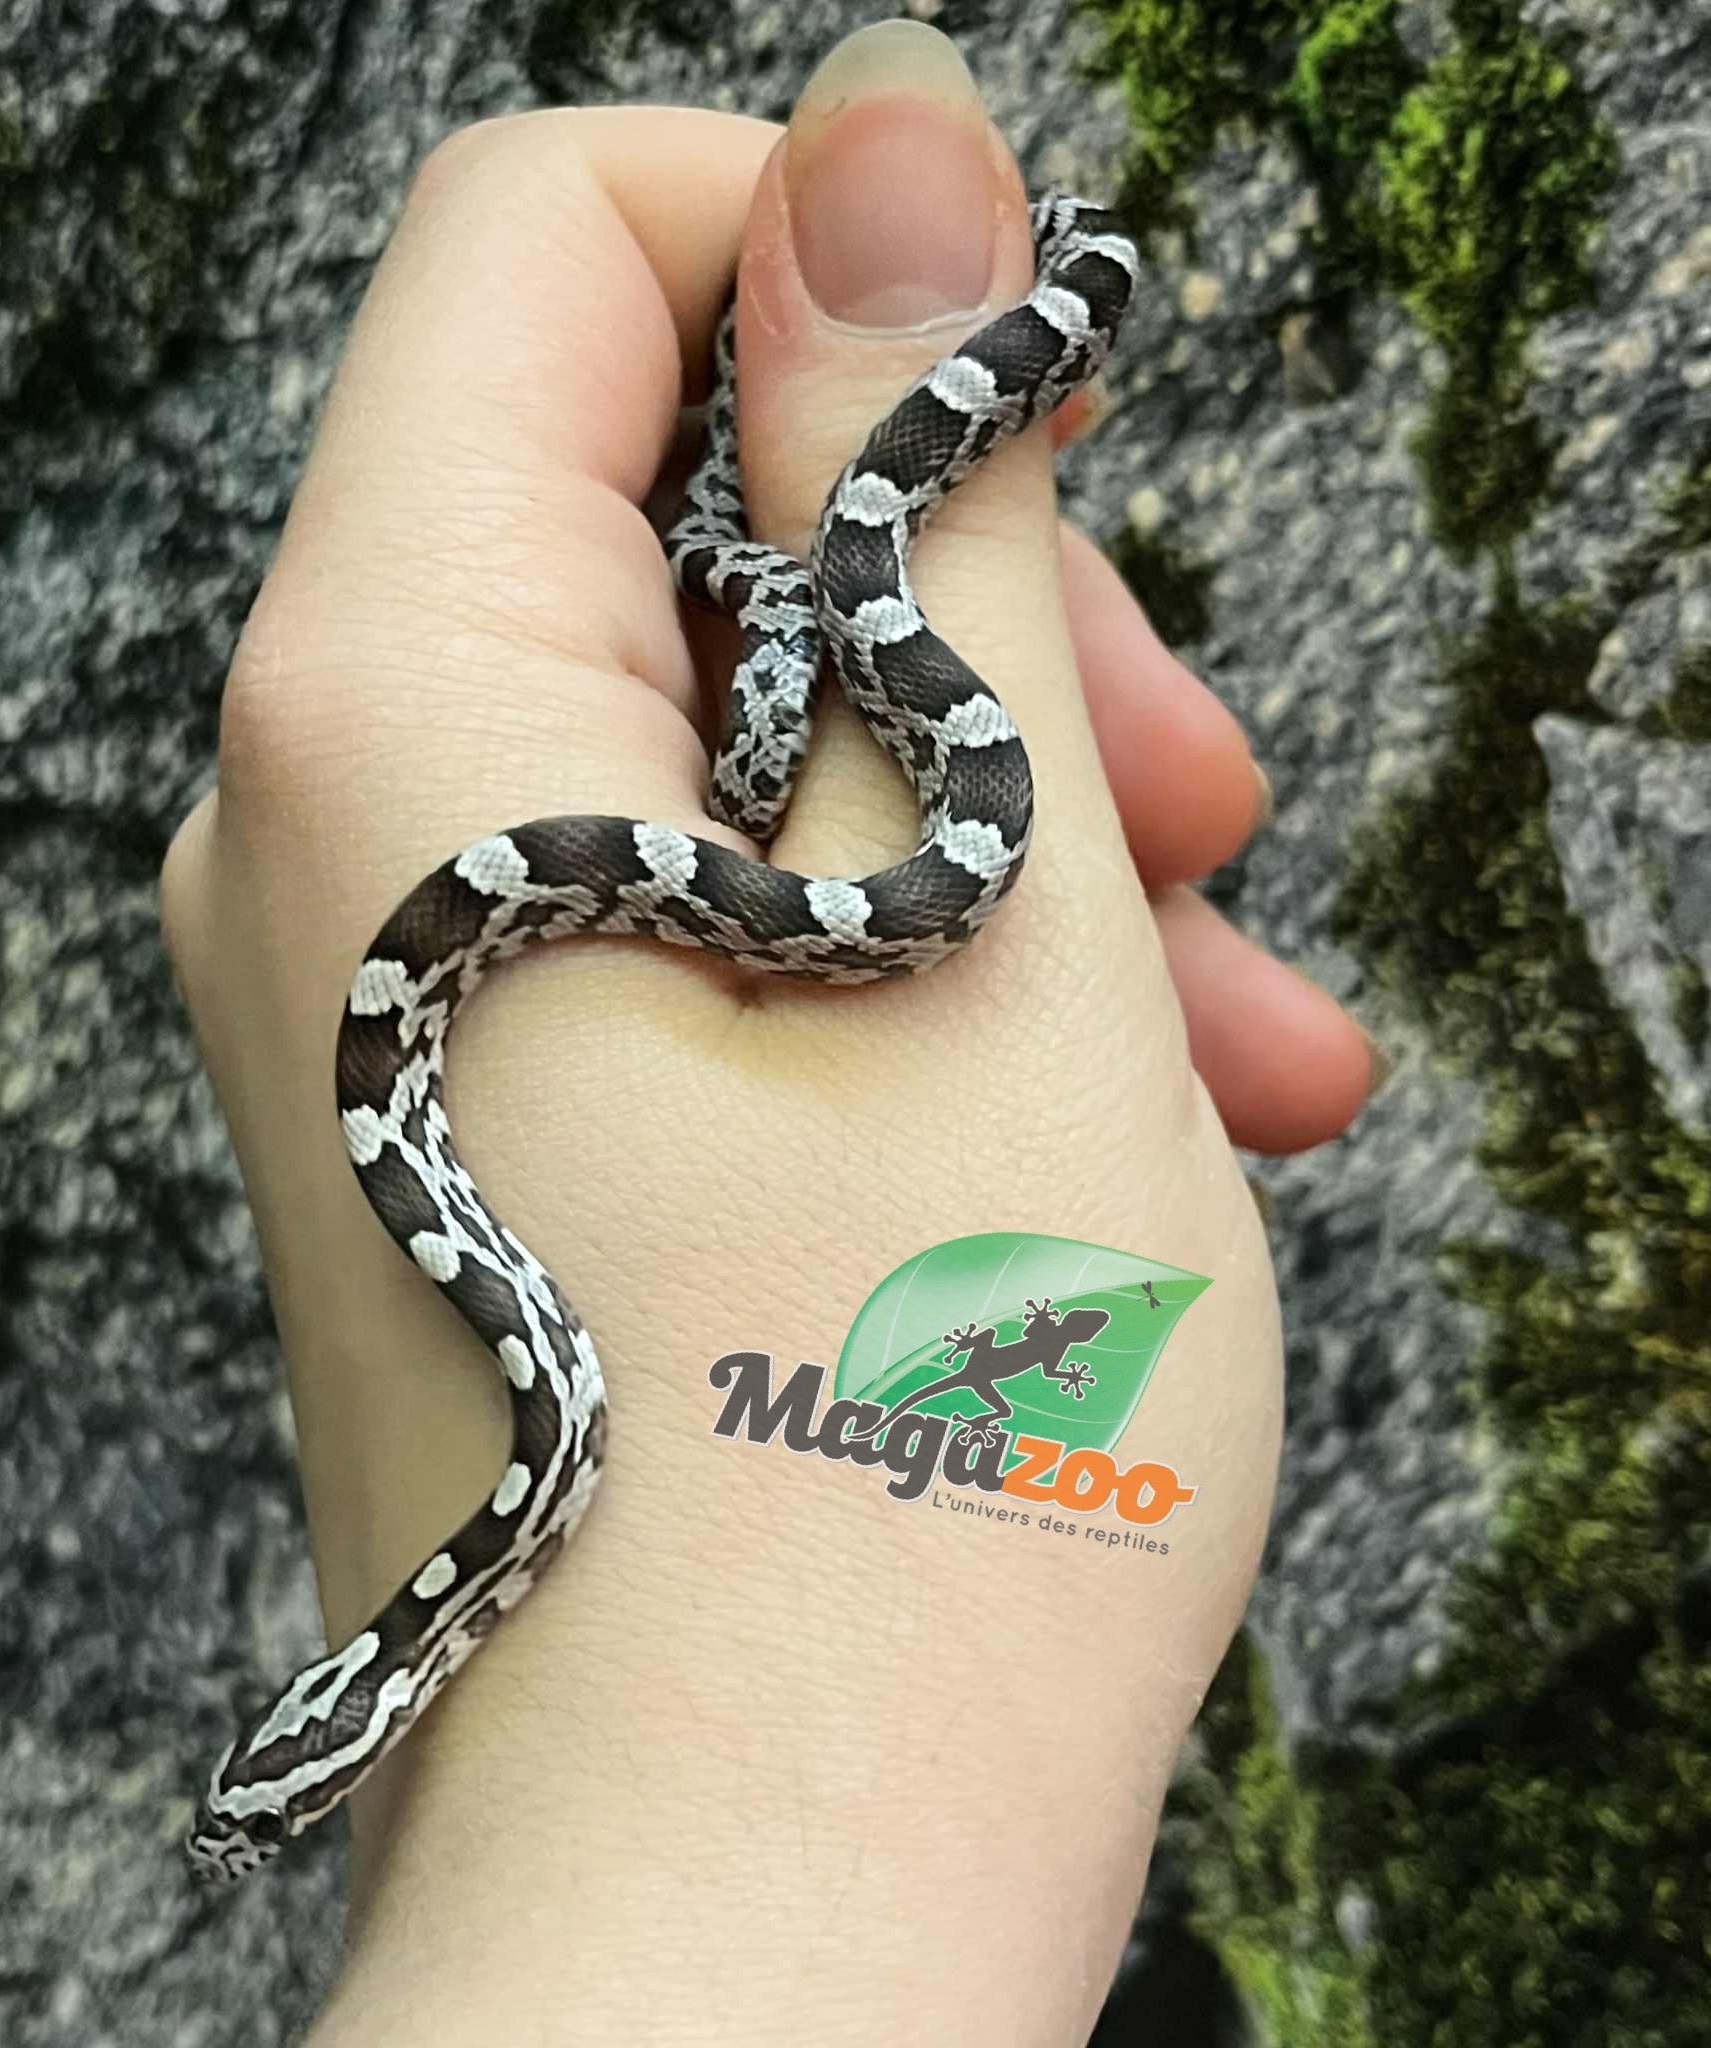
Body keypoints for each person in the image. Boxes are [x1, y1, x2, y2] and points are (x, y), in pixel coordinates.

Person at [157, 18, 1381, 2043]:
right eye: (269, 1813)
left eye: (275, 1806)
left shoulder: (503, 1489)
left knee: (885, 635)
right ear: (337, 1722)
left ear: (345, 1736)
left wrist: (860, 536)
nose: (260, 1827)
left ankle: (820, 564)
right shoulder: (501, 1493)